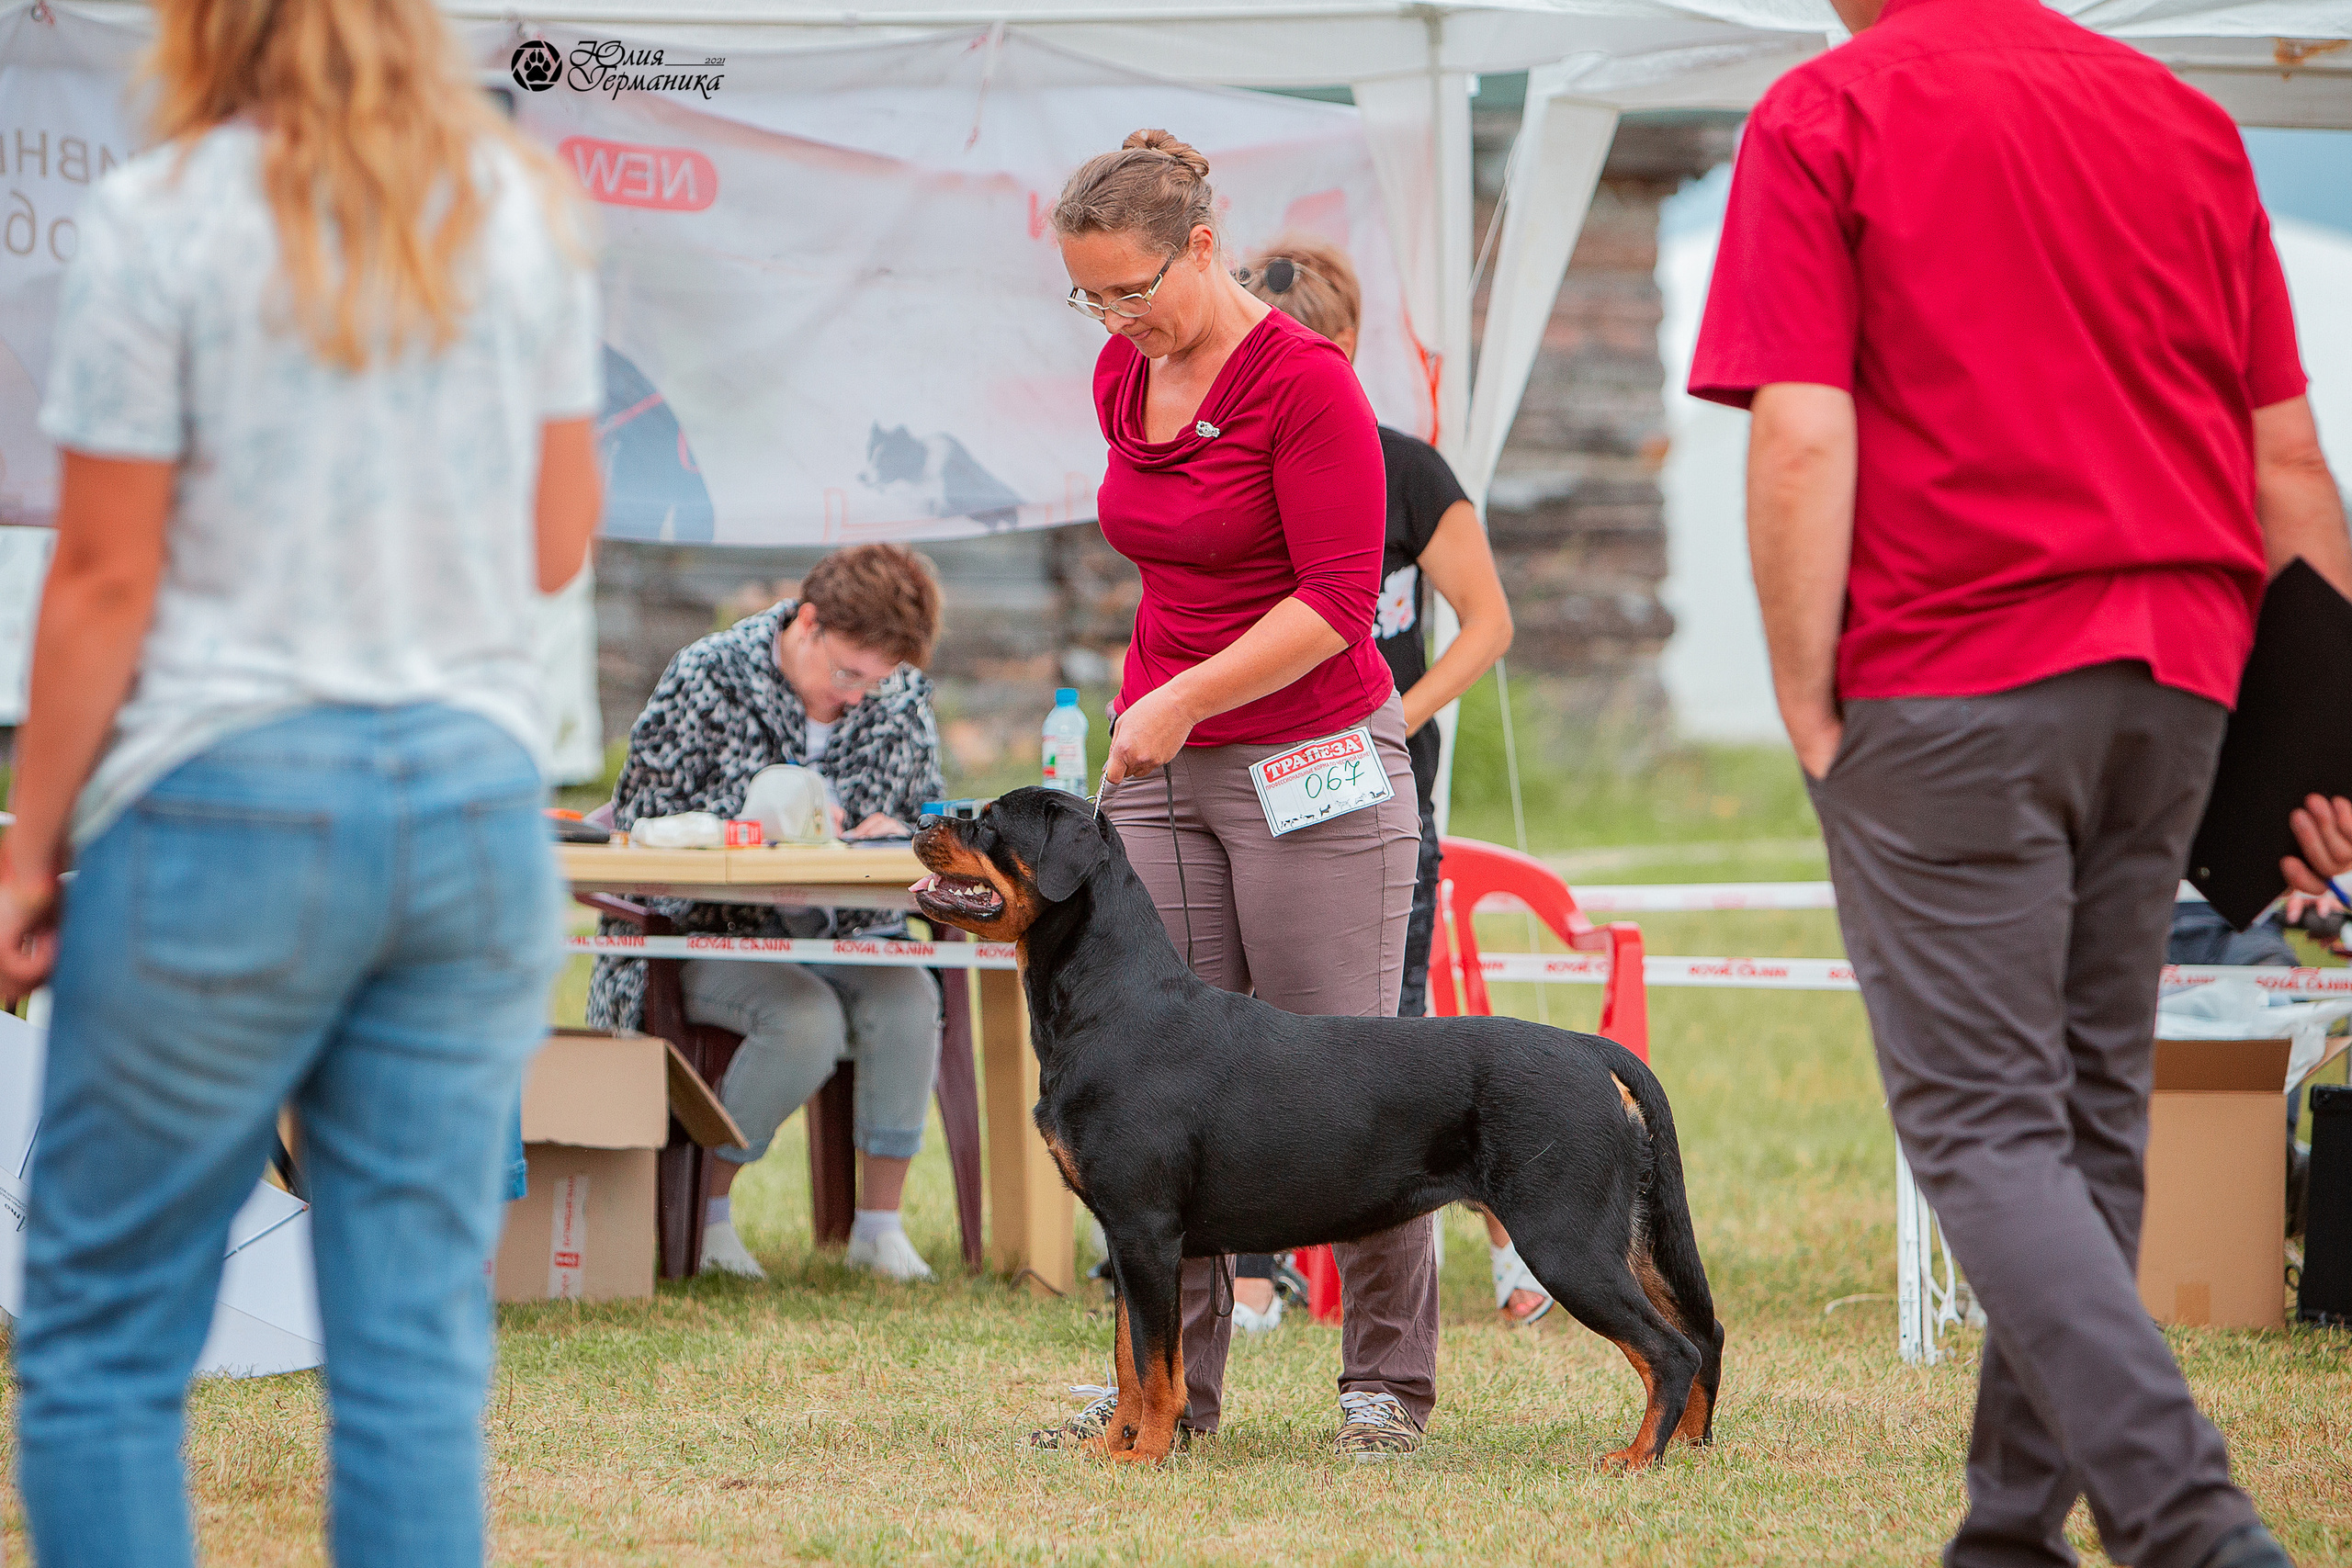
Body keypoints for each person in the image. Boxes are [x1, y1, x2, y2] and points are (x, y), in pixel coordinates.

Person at [1691, 0, 2352, 1561]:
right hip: (2185, 677)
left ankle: (2193, 1523)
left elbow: (1802, 433)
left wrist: (1804, 694)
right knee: (2088, 1120)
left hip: (1953, 665)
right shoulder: (2181, 118)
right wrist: (2328, 750)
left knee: (1986, 1128)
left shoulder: (1829, 111)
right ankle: (2006, 1531)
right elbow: (2288, 464)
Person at [0, 0, 602, 1559]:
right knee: (409, 1358)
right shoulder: (517, 215)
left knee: (108, 1343)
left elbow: (102, 583)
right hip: (473, 805)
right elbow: (552, 544)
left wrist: (30, 852)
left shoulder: (162, 217)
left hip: (225, 795)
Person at [1034, 129, 1427, 1460]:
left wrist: (1188, 693)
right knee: (1150, 1086)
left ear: (1203, 244)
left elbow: (1336, 599)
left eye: (1134, 288)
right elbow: (1168, 556)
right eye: (1091, 296)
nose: (1116, 319)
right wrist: (1154, 700)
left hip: (1309, 760)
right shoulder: (1121, 369)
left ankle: (1384, 1382)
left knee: (1353, 1079)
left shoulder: (1307, 387)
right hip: (1164, 759)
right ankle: (1167, 1391)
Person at [1234, 237, 1543, 1327]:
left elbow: (1488, 623)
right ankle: (1250, 1273)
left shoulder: (1406, 469)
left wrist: (1389, 722)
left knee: (1388, 1034)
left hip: (1369, 789)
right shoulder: (1236, 461)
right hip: (1247, 780)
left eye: (1299, 349)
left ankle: (1520, 1257)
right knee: (1242, 1024)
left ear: (1346, 347)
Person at [584, 544, 947, 1282]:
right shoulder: (707, 674)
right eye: (848, 673)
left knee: (910, 994)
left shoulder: (900, 697)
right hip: (703, 931)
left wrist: (897, 829)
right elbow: (646, 815)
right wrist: (753, 823)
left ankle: (879, 1226)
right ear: (806, 622)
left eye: (876, 681)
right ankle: (708, 1217)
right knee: (804, 1016)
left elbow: (926, 813)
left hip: (842, 926)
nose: (856, 695)